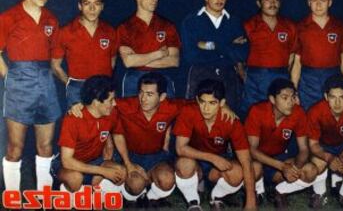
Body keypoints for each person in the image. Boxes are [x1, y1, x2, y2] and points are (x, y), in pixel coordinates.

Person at [70, 72, 236, 208]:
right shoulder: (126, 105)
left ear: (162, 97)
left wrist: (224, 106)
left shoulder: (171, 106)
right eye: (141, 93)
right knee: (135, 184)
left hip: (157, 157)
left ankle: (150, 197)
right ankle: (132, 197)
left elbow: (200, 102)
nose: (143, 99)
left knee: (166, 179)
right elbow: (99, 102)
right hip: (132, 155)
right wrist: (78, 105)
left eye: (149, 94)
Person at [0, 0, 61, 191]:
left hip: (45, 82)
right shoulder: (9, 16)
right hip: (19, 81)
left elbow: (55, 59)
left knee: (45, 146)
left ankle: (43, 197)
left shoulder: (51, 20)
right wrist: (10, 77)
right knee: (15, 147)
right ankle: (13, 196)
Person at [173, 79, 256, 211]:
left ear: (222, 103)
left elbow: (246, 161)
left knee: (237, 172)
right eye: (202, 102)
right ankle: (193, 201)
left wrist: (251, 201)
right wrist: (212, 158)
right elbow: (180, 148)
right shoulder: (189, 111)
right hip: (194, 160)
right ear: (197, 100)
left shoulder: (231, 121)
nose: (206, 108)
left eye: (212, 103)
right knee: (184, 164)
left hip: (217, 165)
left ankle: (216, 197)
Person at [245, 78, 317, 209]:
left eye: (293, 97)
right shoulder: (257, 111)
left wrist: (294, 169)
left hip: (280, 157)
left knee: (311, 171)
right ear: (272, 99)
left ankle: (279, 190)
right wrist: (282, 166)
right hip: (259, 160)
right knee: (255, 168)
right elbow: (251, 150)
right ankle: (258, 189)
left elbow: (304, 149)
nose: (290, 102)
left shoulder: (298, 112)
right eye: (284, 97)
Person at [50, 75, 126, 195]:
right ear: (96, 102)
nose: (115, 103)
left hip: (94, 161)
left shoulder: (111, 113)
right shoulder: (73, 119)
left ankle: (88, 190)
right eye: (111, 100)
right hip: (69, 164)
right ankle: (62, 188)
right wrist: (102, 171)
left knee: (120, 172)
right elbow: (67, 161)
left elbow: (117, 135)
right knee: (75, 179)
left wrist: (126, 162)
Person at [181, 0, 247, 115]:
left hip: (228, 78)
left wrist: (211, 45)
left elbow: (241, 54)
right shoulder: (191, 21)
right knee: (198, 120)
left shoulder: (234, 21)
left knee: (229, 120)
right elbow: (191, 56)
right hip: (200, 76)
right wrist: (228, 47)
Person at [51, 0, 118, 108]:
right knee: (79, 125)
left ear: (102, 6)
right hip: (78, 89)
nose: (92, 8)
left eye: (97, 4)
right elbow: (55, 65)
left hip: (104, 89)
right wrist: (70, 85)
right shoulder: (65, 32)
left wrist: (104, 84)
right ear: (80, 6)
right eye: (87, 3)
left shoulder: (110, 31)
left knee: (105, 126)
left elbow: (112, 61)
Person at [117, 0, 181, 98]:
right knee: (133, 116)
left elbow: (174, 61)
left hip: (161, 78)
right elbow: (129, 62)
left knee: (166, 117)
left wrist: (139, 59)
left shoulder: (168, 26)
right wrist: (159, 54)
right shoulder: (125, 27)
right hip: (134, 80)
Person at [291, 0, 343, 110]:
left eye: (323, 0)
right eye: (314, 0)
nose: (318, 5)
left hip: (333, 76)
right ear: (309, 2)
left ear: (329, 2)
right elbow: (297, 62)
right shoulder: (300, 27)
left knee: (332, 115)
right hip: (308, 79)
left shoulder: (340, 26)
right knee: (308, 113)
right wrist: (293, 89)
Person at [240, 0, 296, 117]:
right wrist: (244, 75)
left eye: (275, 0)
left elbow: (292, 54)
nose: (272, 3)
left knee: (278, 115)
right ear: (259, 3)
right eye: (267, 0)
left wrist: (285, 76)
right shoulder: (249, 25)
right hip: (255, 78)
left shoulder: (289, 26)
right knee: (252, 115)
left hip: (281, 75)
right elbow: (238, 54)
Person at [308, 74, 343, 209]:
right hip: (323, 146)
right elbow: (313, 144)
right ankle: (319, 193)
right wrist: (329, 158)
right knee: (317, 164)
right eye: (332, 97)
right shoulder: (315, 111)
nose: (337, 103)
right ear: (326, 97)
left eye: (342, 97)